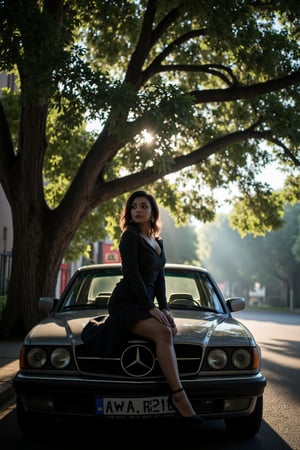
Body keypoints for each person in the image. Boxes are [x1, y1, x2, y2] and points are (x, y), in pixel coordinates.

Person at [82, 190, 204, 423]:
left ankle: (161, 382)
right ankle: (179, 396)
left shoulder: (157, 241)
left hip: (144, 303)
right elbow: (132, 275)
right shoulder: (130, 237)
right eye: (133, 207)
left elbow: (159, 278)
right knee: (164, 332)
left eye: (143, 206)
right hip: (126, 303)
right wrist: (151, 308)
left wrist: (165, 308)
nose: (137, 210)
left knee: (172, 329)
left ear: (152, 212)